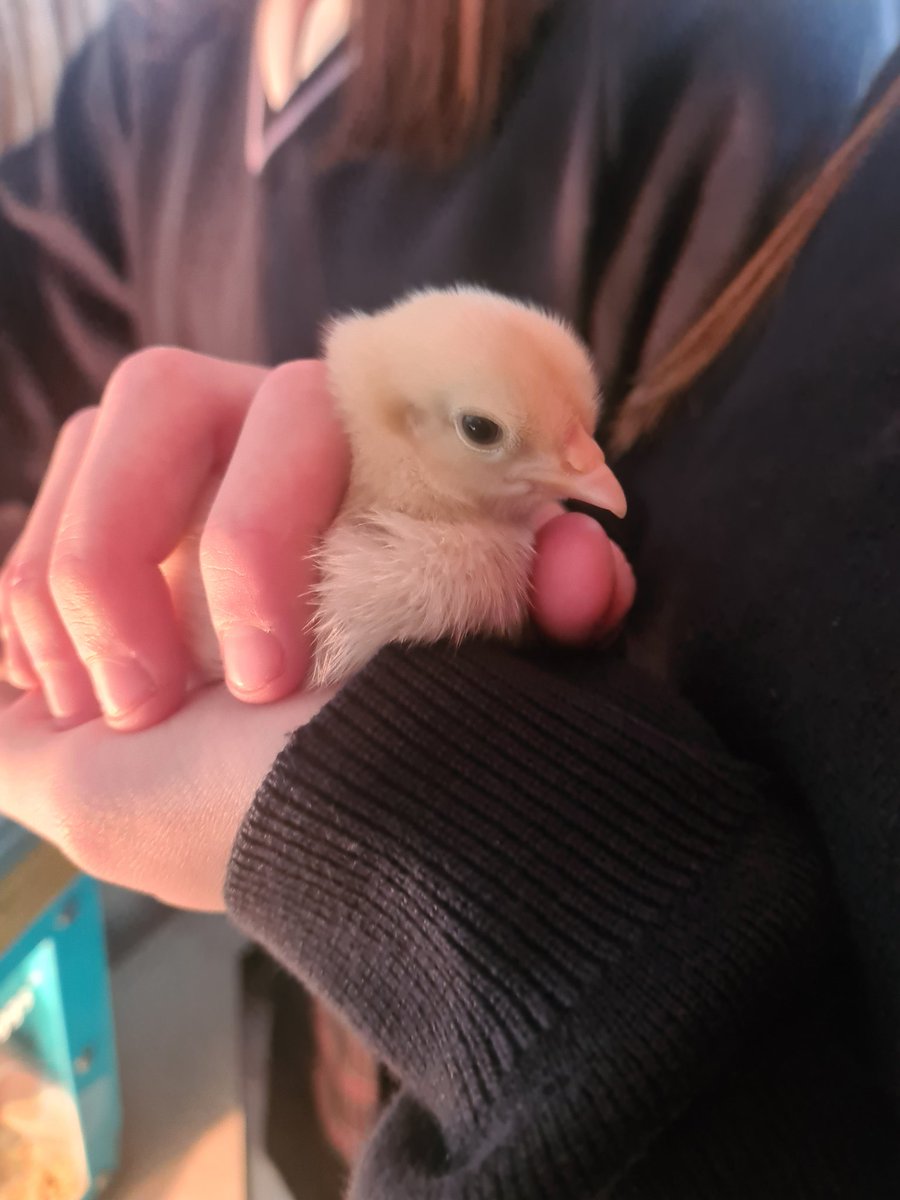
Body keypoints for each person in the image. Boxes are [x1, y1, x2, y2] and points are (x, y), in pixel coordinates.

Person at [1, 1, 900, 1195]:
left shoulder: (721, 66)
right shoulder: (155, 62)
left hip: (487, 1056)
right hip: (334, 1020)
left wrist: (420, 828)